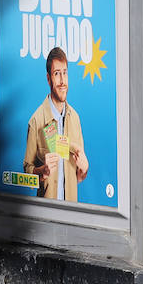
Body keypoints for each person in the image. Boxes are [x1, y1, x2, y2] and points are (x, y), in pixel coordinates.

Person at [22, 47, 90, 201]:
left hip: (71, 210)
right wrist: (42, 171)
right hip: (46, 210)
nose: (62, 81)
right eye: (57, 73)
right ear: (48, 79)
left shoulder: (75, 119)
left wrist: (85, 168)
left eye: (65, 73)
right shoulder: (36, 121)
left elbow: (79, 177)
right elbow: (27, 173)